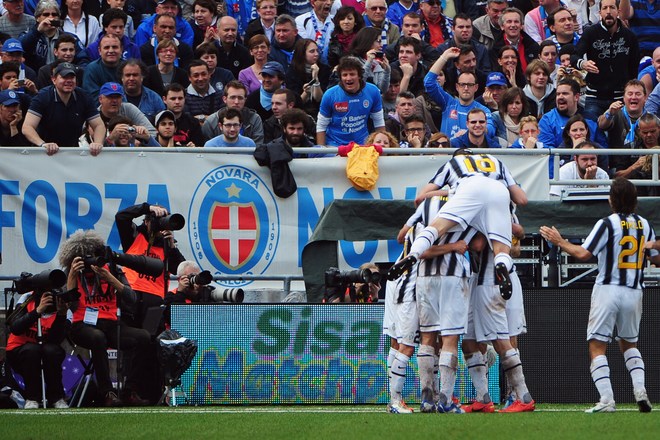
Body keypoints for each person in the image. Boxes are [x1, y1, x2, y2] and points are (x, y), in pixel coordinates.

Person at [540, 177, 658, 413]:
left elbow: (583, 254)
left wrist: (560, 241)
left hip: (608, 288)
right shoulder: (644, 225)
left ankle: (607, 400)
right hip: (635, 290)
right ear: (635, 201)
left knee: (597, 345)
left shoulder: (607, 223)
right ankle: (641, 391)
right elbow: (655, 259)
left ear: (611, 200)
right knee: (630, 344)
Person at [388, 148, 528, 303]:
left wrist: (451, 192)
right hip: (499, 192)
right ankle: (501, 264)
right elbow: (522, 199)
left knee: (436, 228)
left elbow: (420, 198)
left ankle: (413, 254)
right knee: (501, 250)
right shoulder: (495, 161)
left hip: (468, 188)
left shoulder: (454, 163)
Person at [61, 230, 151, 407]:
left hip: (111, 324)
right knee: (97, 337)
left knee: (143, 338)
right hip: (81, 326)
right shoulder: (71, 273)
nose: (88, 262)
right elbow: (69, 306)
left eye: (92, 257)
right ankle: (107, 392)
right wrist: (72, 275)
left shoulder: (112, 270)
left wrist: (110, 278)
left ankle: (128, 392)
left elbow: (131, 299)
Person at [461, 229, 535, 413]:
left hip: (501, 279)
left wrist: (457, 242)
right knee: (470, 340)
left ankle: (516, 395)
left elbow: (516, 246)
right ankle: (483, 397)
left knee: (508, 338)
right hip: (477, 280)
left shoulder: (497, 212)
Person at [572, 0, 640, 122]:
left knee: (620, 135)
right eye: (605, 8)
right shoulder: (590, 33)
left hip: (620, 97)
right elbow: (574, 56)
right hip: (595, 96)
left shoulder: (630, 36)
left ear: (618, 11)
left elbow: (634, 68)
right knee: (591, 131)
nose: (608, 12)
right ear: (600, 12)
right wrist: (583, 63)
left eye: (612, 7)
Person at [6, 286, 72, 409]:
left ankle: (57, 398)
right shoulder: (27, 298)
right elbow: (15, 328)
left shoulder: (65, 308)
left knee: (52, 351)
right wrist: (37, 311)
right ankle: (32, 398)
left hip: (46, 351)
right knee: (32, 350)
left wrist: (61, 315)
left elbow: (55, 340)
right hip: (19, 350)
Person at [23, 62, 105, 155]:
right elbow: (27, 127)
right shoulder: (42, 97)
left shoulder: (84, 96)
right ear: (53, 80)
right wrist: (43, 144)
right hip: (44, 154)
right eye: (64, 77)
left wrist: (97, 143)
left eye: (72, 77)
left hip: (71, 153)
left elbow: (99, 125)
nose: (69, 80)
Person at [537, 78, 609, 177]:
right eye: (558, 94)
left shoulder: (591, 119)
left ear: (576, 97)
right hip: (559, 176)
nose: (560, 97)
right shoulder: (547, 120)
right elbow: (546, 154)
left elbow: (603, 150)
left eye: (565, 94)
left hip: (591, 173)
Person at [424, 47, 495, 140]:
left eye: (470, 85)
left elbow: (491, 130)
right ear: (457, 87)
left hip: (470, 153)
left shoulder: (482, 110)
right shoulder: (448, 103)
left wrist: (470, 132)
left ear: (476, 87)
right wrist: (444, 56)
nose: (466, 88)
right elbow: (428, 82)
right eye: (462, 85)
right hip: (447, 153)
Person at [316, 55, 385, 146]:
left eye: (352, 74)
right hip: (335, 146)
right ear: (340, 77)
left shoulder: (373, 91)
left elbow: (378, 121)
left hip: (362, 144)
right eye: (345, 75)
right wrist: (322, 151)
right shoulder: (330, 95)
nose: (348, 78)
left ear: (359, 76)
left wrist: (382, 148)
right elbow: (321, 126)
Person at [19, 1, 89, 72]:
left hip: (64, 77)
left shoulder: (70, 38)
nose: (51, 18)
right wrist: (37, 31)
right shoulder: (29, 35)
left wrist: (75, 71)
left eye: (54, 14)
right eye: (46, 14)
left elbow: (83, 60)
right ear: (37, 18)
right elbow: (21, 48)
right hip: (37, 79)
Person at [598, 79, 648, 178]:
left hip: (644, 168)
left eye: (638, 94)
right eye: (630, 94)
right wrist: (609, 113)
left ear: (645, 97)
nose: (634, 97)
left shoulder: (651, 119)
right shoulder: (614, 114)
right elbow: (602, 125)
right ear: (624, 97)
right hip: (617, 167)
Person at [201, 80, 265, 145]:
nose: (236, 102)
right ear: (224, 99)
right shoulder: (211, 121)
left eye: (240, 98)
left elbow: (258, 148)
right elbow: (207, 150)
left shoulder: (255, 119)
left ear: (245, 100)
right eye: (232, 97)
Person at [285, 39, 330, 116]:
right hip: (299, 113)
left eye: (317, 50)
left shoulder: (324, 69)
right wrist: (306, 92)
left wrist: (315, 78)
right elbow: (296, 104)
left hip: (320, 112)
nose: (316, 54)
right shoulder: (292, 72)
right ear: (302, 54)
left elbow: (319, 99)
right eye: (312, 51)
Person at [163, 261, 214, 326]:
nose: (195, 280)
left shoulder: (206, 293)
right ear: (180, 280)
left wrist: (199, 292)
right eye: (191, 277)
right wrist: (180, 293)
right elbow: (174, 320)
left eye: (197, 276)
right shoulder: (171, 296)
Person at [490, 7, 539, 75]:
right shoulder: (494, 49)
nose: (513, 25)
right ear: (502, 26)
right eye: (509, 22)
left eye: (516, 22)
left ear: (521, 26)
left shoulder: (533, 46)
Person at [83, 33, 123, 102]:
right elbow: (92, 99)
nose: (111, 51)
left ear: (121, 49)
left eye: (115, 47)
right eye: (106, 47)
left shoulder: (128, 69)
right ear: (99, 51)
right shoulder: (92, 69)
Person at [295, 0, 335, 65]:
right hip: (307, 66)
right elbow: (304, 47)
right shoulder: (301, 20)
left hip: (330, 65)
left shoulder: (336, 21)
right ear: (313, 3)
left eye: (331, 0)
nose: (329, 3)